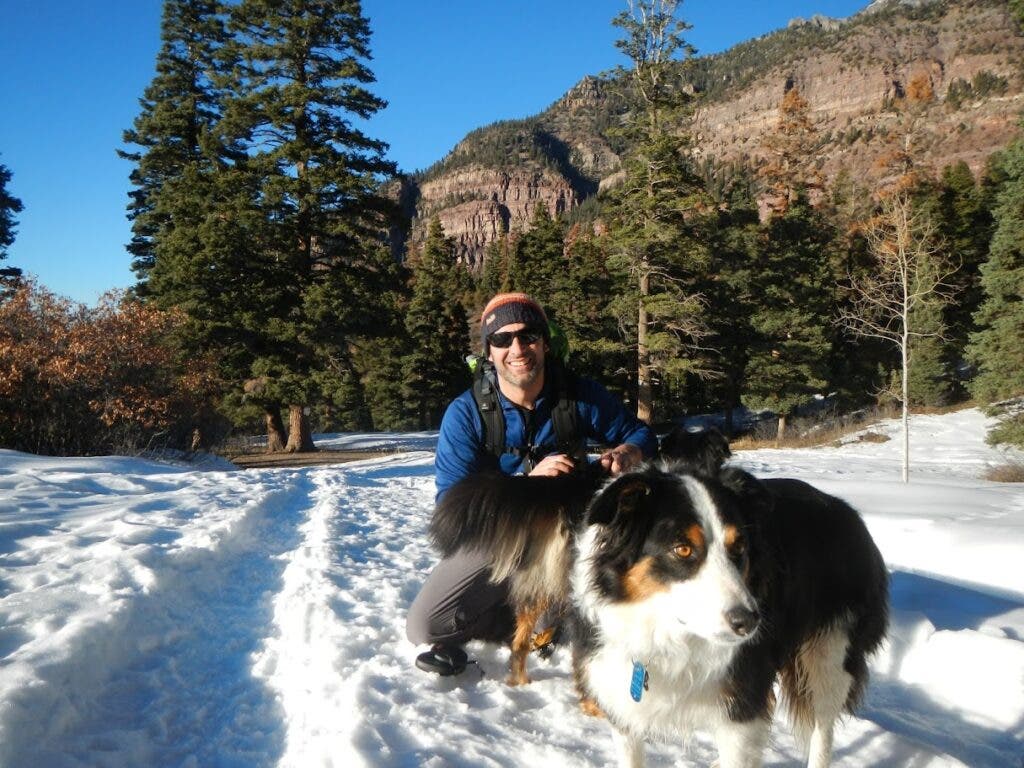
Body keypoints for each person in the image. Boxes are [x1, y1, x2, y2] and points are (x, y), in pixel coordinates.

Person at [407, 292, 658, 676]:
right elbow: (452, 508)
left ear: (544, 341)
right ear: (489, 352)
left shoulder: (579, 395)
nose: (517, 348)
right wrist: (523, 485)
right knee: (426, 625)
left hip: (567, 531)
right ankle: (521, 613)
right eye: (502, 339)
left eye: (528, 335)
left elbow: (641, 435)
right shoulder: (466, 413)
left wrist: (628, 453)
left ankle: (548, 616)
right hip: (499, 535)